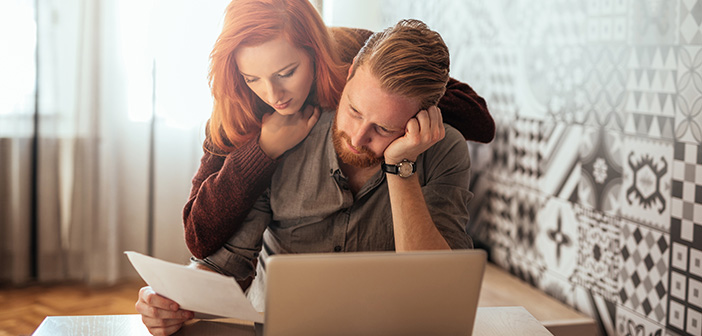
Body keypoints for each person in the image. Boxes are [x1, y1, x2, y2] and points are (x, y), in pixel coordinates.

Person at [137, 17, 474, 335]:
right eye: (354, 111)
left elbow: (437, 294)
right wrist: (169, 300)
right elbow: (225, 267)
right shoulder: (285, 135)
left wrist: (401, 169)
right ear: (351, 73)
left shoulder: (445, 152)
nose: (357, 138)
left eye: (384, 128)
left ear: (423, 119)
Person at [182, 0, 492, 262]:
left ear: (317, 54)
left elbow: (479, 120)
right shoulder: (240, 107)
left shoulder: (349, 54)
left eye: (287, 73)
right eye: (252, 78)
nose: (273, 95)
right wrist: (262, 151)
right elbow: (199, 236)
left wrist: (391, 104)